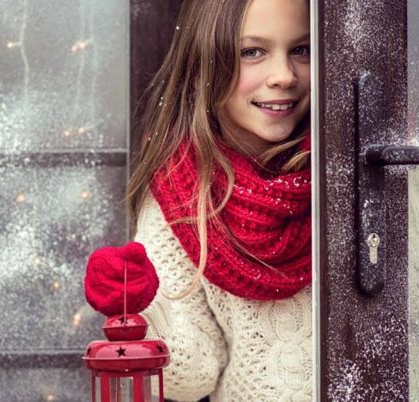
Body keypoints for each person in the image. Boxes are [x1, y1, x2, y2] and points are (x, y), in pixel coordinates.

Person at [126, 0, 313, 400]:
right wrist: (140, 312)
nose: (283, 76)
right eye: (252, 52)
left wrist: (394, 177)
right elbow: (194, 376)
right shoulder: (182, 194)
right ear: (207, 60)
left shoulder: (349, 169)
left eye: (302, 49)